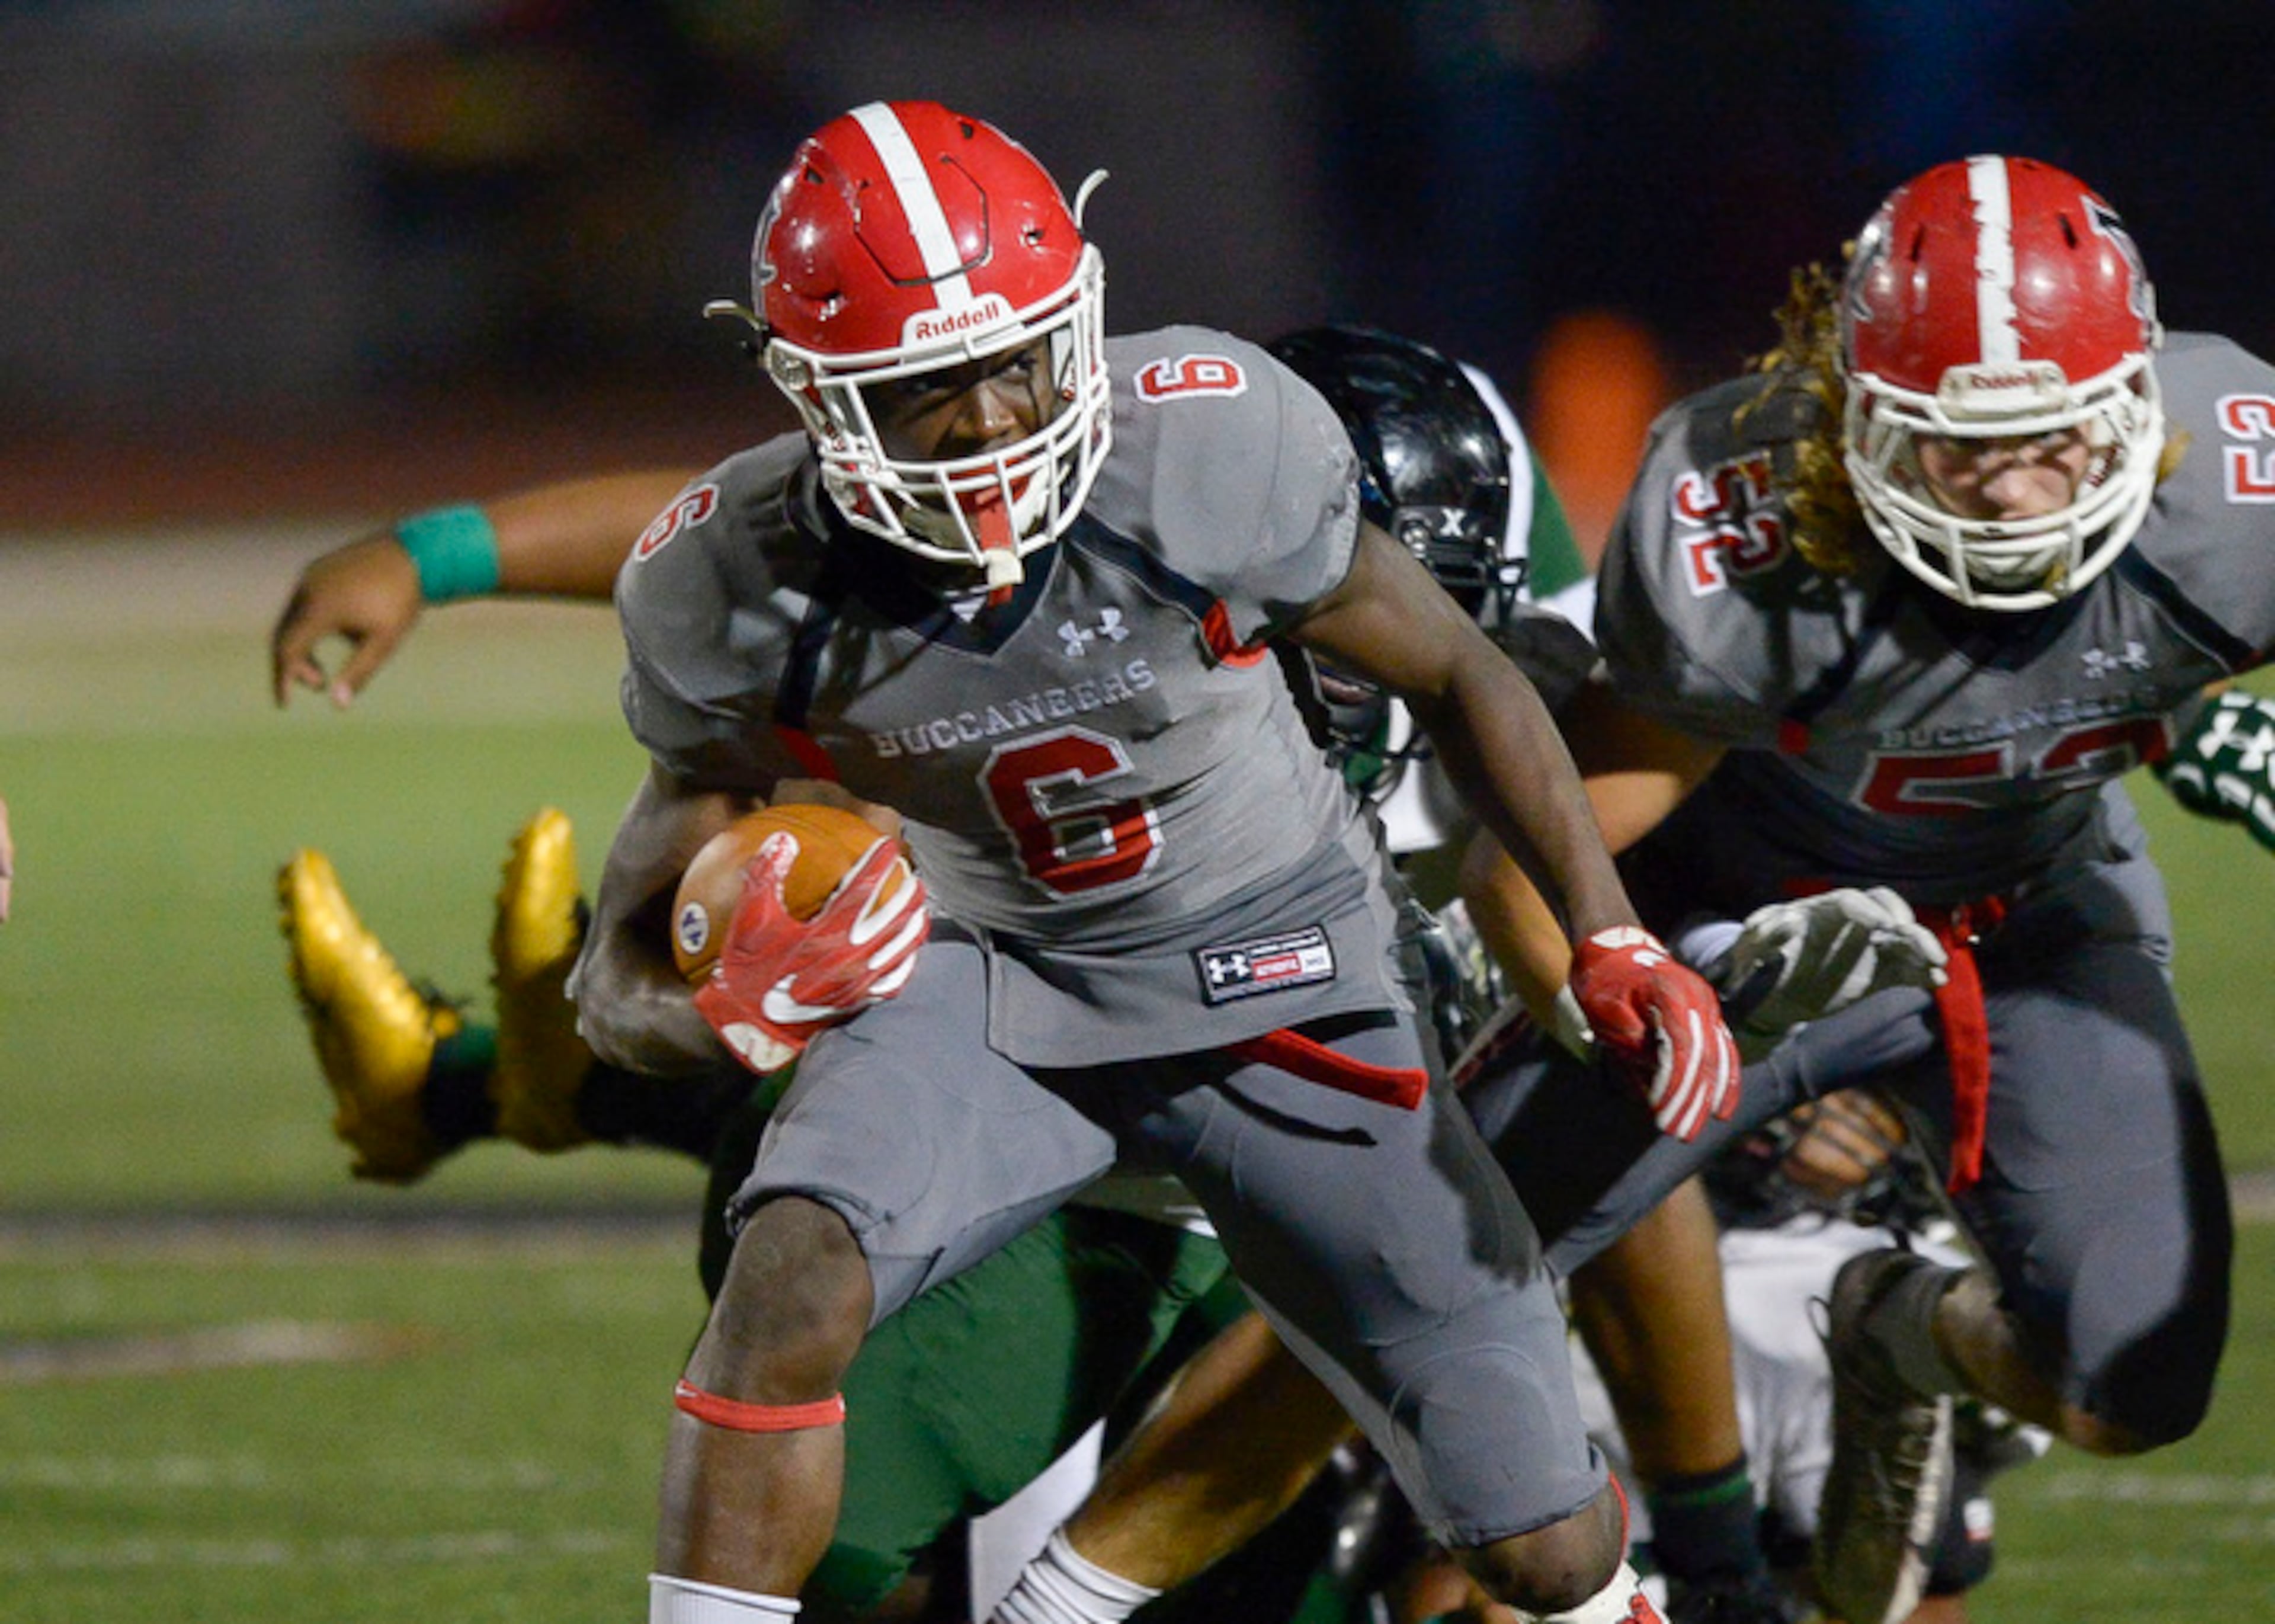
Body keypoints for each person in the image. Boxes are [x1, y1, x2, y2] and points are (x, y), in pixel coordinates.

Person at [271, 296, 1735, 1623]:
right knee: (834, 1483)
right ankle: (492, 1080)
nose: (1318, 655)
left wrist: (1616, 964)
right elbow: (753, 555)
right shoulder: (1067, 539)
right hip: (1057, 1138)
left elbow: (1500, 1189)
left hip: (1280, 1123)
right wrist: (439, 559)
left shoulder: (1491, 722)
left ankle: (487, 1083)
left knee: (1470, 1529)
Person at [1446, 152, 2260, 1624]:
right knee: (1415, 1298)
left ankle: (1908, 1333)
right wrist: (1614, 1009)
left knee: (2138, 1383)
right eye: (1960, 450)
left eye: (2060, 444)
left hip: (2030, 919)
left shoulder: (2237, 481)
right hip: (1743, 932)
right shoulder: (1750, 525)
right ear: (1859, 422)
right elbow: (1536, 851)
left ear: (2136, 409)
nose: (2015, 491)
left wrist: (2210, 718)